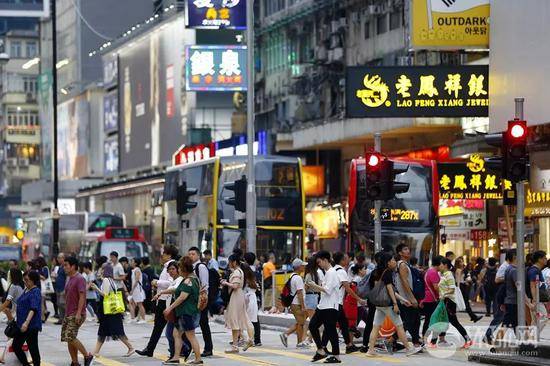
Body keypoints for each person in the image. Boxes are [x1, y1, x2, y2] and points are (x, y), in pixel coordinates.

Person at [364, 252, 422, 357]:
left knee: (376, 327)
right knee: (399, 326)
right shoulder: (387, 273)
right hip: (388, 304)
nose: (394, 262)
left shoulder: (375, 272)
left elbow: (385, 290)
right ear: (388, 262)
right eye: (392, 260)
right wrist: (395, 303)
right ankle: (408, 349)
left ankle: (370, 350)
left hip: (379, 304)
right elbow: (390, 289)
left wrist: (403, 300)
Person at [136, 244, 179, 357]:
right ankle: (150, 349)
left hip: (166, 300)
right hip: (162, 299)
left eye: (163, 253)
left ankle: (183, 349)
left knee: (168, 328)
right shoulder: (167, 265)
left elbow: (171, 283)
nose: (162, 255)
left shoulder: (171, 265)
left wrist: (157, 282)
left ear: (169, 255)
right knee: (160, 327)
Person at [162, 256, 202, 365]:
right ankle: (175, 357)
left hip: (187, 312)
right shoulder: (190, 279)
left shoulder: (188, 280)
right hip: (184, 312)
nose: (178, 270)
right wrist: (162, 292)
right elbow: (177, 290)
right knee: (176, 334)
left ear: (184, 268)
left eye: (179, 267)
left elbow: (182, 297)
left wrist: (169, 308)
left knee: (191, 336)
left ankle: (198, 359)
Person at [91, 263, 135, 357]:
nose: (100, 271)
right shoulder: (110, 280)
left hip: (109, 311)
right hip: (111, 310)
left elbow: (105, 295)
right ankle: (96, 351)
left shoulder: (107, 280)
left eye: (102, 269)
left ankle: (131, 347)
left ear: (105, 270)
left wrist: (96, 289)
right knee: (104, 331)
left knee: (116, 330)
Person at [323, 252, 363, 354]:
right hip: (336, 303)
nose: (348, 260)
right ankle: (323, 347)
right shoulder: (341, 271)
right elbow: (347, 288)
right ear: (342, 260)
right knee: (331, 325)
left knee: (343, 324)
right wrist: (358, 299)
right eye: (345, 258)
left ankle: (349, 345)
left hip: (333, 302)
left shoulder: (332, 270)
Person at [306, 250, 341, 364]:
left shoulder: (332, 272)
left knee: (331, 331)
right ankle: (321, 350)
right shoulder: (327, 273)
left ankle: (336, 356)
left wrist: (314, 285)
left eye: (320, 262)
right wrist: (313, 286)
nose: (319, 264)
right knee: (312, 325)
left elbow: (328, 290)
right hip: (323, 306)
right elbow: (324, 290)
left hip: (330, 306)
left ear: (325, 260)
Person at [152, 261, 189, 360]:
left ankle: (184, 350)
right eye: (169, 270)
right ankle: (177, 353)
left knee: (172, 334)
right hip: (173, 311)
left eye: (173, 269)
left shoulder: (180, 280)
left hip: (179, 311)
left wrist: (161, 292)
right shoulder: (174, 280)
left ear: (178, 270)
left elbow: (175, 289)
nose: (171, 271)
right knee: (171, 334)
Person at [62, 256, 94, 366]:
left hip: (76, 313)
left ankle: (87, 356)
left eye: (66, 265)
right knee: (69, 338)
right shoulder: (69, 278)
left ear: (73, 266)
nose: (64, 267)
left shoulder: (80, 278)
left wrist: (79, 313)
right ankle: (75, 362)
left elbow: (82, 296)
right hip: (69, 312)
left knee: (70, 336)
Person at [221, 254, 254, 353]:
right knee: (241, 318)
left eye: (230, 261)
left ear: (234, 262)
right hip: (239, 296)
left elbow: (235, 286)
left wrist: (225, 283)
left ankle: (236, 345)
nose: (229, 264)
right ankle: (248, 339)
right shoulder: (240, 271)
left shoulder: (236, 272)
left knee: (235, 320)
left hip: (235, 296)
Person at [437, 258, 473, 348]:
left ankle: (468, 340)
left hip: (449, 302)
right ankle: (440, 340)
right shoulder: (444, 274)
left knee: (453, 322)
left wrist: (443, 295)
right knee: (444, 321)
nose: (439, 266)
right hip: (446, 301)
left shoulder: (449, 275)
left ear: (445, 265)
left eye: (441, 264)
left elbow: (452, 289)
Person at [484, 250, 515, 344]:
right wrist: (508, 277)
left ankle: (491, 336)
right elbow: (497, 280)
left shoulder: (509, 266)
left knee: (505, 318)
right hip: (502, 295)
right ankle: (488, 335)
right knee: (500, 317)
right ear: (512, 257)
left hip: (506, 295)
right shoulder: (505, 266)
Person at [12, 271, 42, 366]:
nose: (25, 282)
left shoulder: (35, 291)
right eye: (24, 280)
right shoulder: (26, 289)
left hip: (30, 325)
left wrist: (26, 322)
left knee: (33, 348)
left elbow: (33, 308)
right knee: (16, 346)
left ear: (33, 281)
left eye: (27, 280)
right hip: (21, 324)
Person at [188, 247, 213, 358]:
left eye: (193, 254)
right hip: (192, 300)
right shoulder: (191, 267)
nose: (190, 256)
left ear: (198, 255)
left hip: (201, 299)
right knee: (191, 324)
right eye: (189, 254)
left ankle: (208, 348)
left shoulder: (201, 267)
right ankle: (192, 347)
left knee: (203, 324)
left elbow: (205, 284)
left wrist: (202, 298)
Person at [395, 243, 422, 347]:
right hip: (406, 298)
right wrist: (412, 298)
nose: (408, 251)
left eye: (408, 249)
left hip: (406, 297)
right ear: (400, 253)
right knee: (409, 321)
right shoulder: (402, 264)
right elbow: (404, 282)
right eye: (405, 249)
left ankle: (416, 342)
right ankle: (391, 340)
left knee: (414, 320)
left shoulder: (405, 264)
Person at [280, 258, 307, 348]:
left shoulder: (292, 276)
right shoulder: (298, 278)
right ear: (299, 267)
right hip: (297, 304)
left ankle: (287, 335)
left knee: (301, 322)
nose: (304, 267)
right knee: (301, 323)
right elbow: (299, 293)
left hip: (294, 303)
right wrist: (303, 306)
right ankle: (297, 342)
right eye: (302, 265)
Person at [0, 268, 25, 364]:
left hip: (16, 314)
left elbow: (7, 302)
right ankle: (3, 357)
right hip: (21, 314)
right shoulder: (22, 285)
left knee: (11, 335)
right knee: (13, 337)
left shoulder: (14, 286)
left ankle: (4, 357)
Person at [421, 255, 443, 344]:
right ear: (439, 264)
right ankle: (431, 340)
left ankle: (425, 339)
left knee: (429, 319)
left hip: (428, 298)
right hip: (432, 299)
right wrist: (442, 294)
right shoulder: (433, 272)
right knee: (435, 320)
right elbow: (436, 287)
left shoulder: (429, 271)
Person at [454, 257, 482, 322]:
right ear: (458, 263)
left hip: (462, 286)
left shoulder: (461, 269)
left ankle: (473, 316)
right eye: (461, 262)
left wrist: (465, 282)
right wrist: (458, 288)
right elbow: (458, 280)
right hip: (461, 287)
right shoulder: (458, 270)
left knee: (465, 302)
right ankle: (473, 316)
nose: (462, 263)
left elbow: (461, 279)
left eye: (462, 261)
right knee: (465, 302)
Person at [244, 252, 261, 346]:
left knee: (246, 319)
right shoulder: (257, 271)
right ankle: (257, 339)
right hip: (255, 297)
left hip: (248, 297)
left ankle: (247, 338)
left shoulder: (245, 270)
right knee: (255, 319)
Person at [527, 250, 547, 325]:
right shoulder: (534, 270)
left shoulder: (537, 270)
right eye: (544, 258)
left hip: (537, 299)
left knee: (535, 321)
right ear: (539, 259)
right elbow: (532, 286)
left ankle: (531, 336)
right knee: (543, 317)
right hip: (536, 299)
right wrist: (535, 300)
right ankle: (533, 335)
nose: (546, 260)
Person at [129, 258, 146, 324]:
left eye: (132, 261)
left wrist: (132, 290)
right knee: (132, 302)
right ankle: (133, 318)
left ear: (135, 263)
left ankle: (143, 319)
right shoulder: (134, 270)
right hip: (135, 289)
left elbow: (136, 281)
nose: (131, 262)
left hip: (137, 289)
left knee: (140, 304)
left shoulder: (137, 270)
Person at [54, 253, 67, 325]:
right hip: (58, 288)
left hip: (63, 288)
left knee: (63, 304)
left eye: (60, 258)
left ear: (63, 258)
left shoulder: (65, 267)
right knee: (59, 304)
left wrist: (65, 289)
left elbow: (67, 278)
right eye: (58, 258)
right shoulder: (59, 267)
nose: (58, 259)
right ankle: (61, 319)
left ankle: (66, 318)